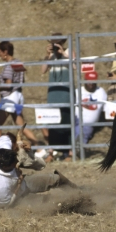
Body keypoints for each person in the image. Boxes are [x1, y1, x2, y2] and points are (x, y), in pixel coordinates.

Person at [0, 147, 76, 208]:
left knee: (55, 179)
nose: (17, 162)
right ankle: (75, 203)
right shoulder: (2, 186)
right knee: (51, 202)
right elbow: (6, 205)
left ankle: (78, 191)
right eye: (14, 162)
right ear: (5, 167)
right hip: (20, 199)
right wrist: (18, 184)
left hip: (24, 182)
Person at [0, 41, 37, 143]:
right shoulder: (18, 63)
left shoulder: (9, 66)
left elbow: (8, 85)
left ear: (5, 52)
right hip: (18, 95)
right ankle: (41, 148)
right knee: (22, 127)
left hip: (9, 98)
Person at [41, 33, 74, 162]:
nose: (55, 45)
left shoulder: (69, 52)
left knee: (66, 122)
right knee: (52, 122)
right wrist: (48, 56)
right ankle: (51, 152)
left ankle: (69, 153)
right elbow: (43, 70)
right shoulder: (51, 56)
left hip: (65, 94)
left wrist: (64, 54)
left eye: (57, 43)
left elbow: (76, 66)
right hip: (53, 94)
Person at [75, 71, 107, 144]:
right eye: (89, 81)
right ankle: (77, 147)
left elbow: (104, 110)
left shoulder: (101, 92)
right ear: (84, 80)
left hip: (90, 124)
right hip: (77, 120)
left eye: (93, 81)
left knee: (85, 130)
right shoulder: (77, 92)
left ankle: (78, 147)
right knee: (77, 128)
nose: (91, 83)